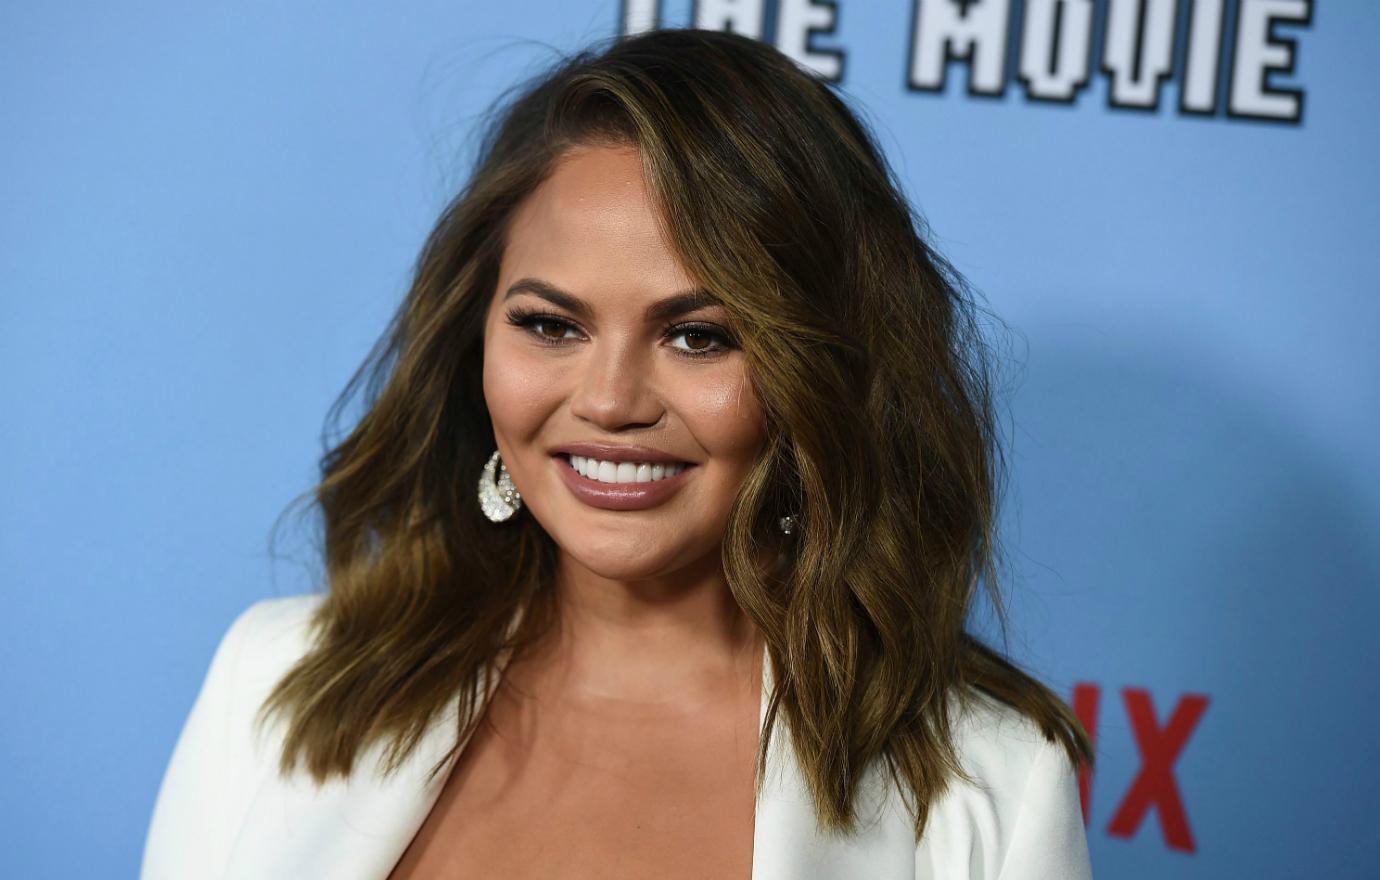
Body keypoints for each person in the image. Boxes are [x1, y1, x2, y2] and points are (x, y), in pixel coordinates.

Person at [141, 27, 1094, 880]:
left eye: (700, 337)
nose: (607, 402)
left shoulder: (992, 788)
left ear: (825, 369)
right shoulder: (272, 682)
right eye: (551, 326)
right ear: (474, 338)